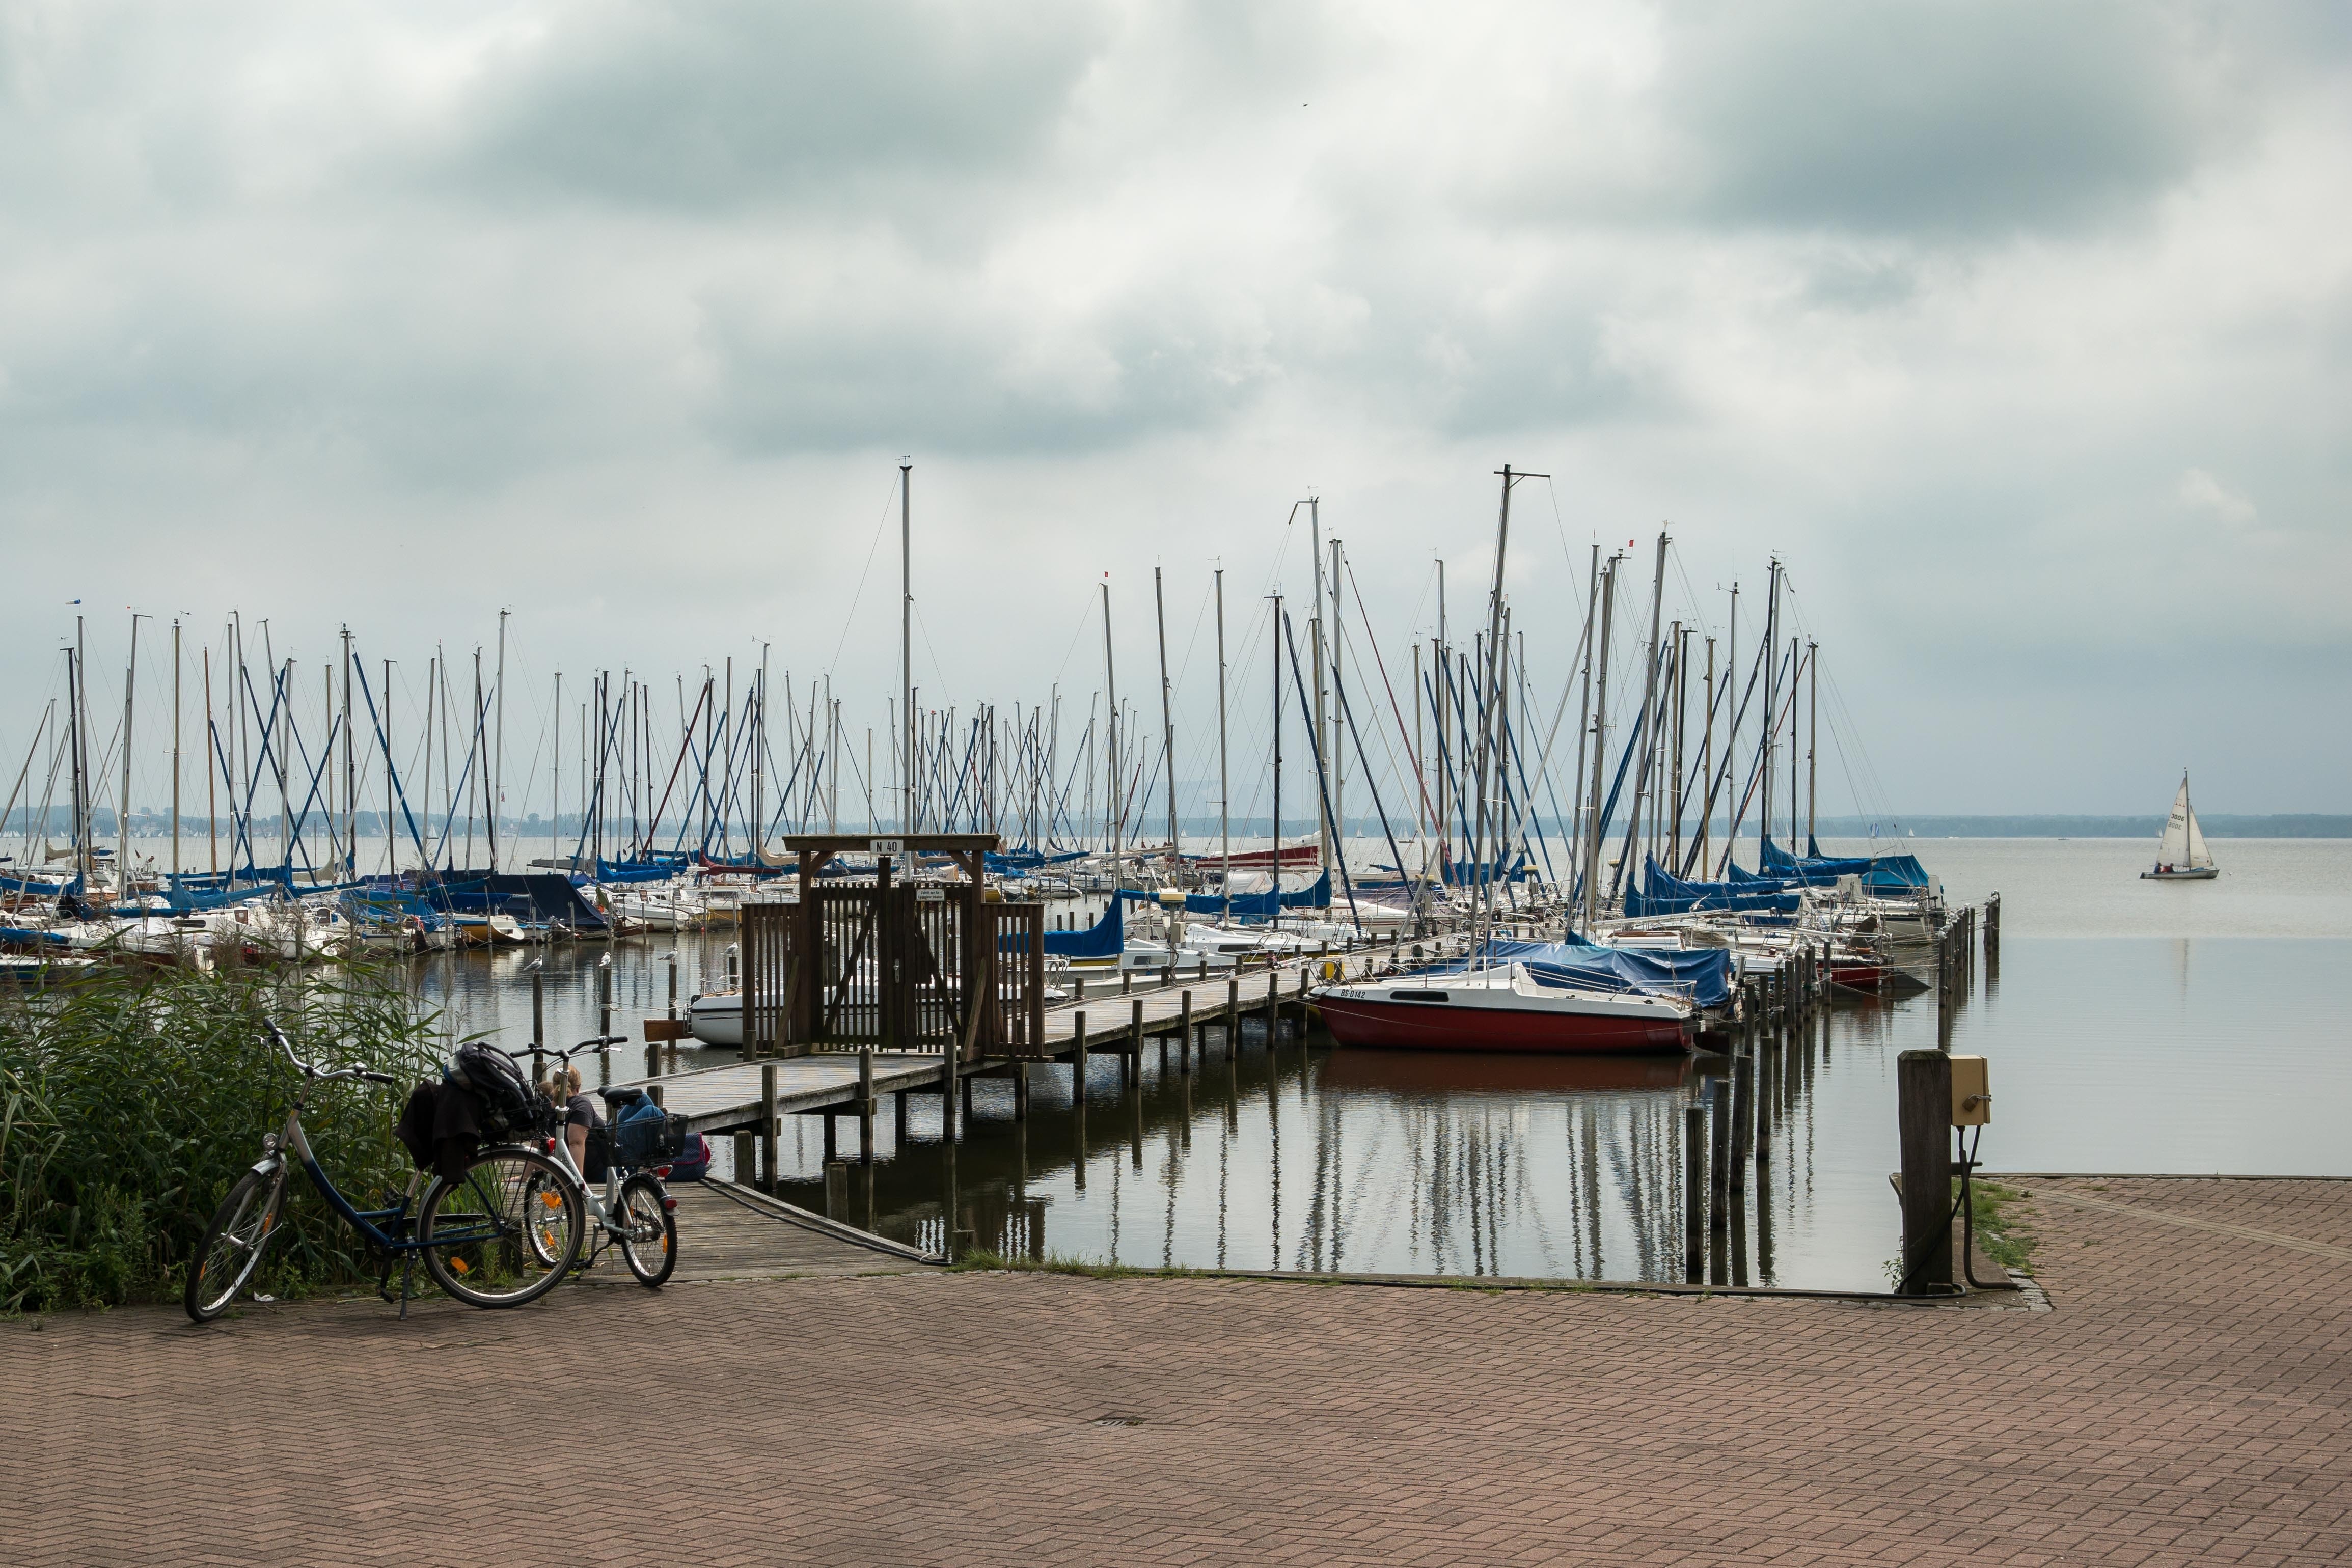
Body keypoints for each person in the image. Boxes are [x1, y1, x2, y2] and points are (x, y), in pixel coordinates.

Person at [551, 1064, 605, 1180]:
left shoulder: (549, 1107)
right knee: (648, 1109)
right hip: (604, 1168)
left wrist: (523, 1177)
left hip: (600, 1142)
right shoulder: (581, 1105)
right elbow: (576, 1143)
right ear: (578, 1088)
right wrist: (578, 1184)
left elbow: (535, 1144)